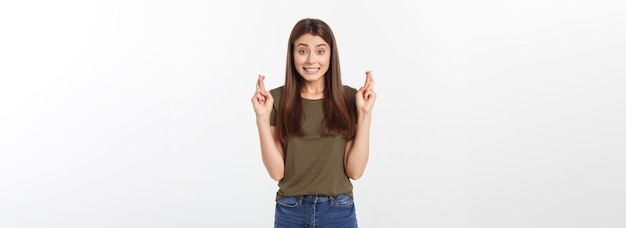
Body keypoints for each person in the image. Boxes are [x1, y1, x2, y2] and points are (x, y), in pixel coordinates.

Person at [251, 18, 376, 228]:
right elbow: (277, 173)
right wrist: (261, 119)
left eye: (320, 51)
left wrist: (365, 114)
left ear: (330, 55)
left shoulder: (349, 98)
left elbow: (355, 171)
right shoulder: (276, 100)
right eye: (302, 51)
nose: (311, 60)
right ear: (292, 55)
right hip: (290, 210)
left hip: (338, 210)